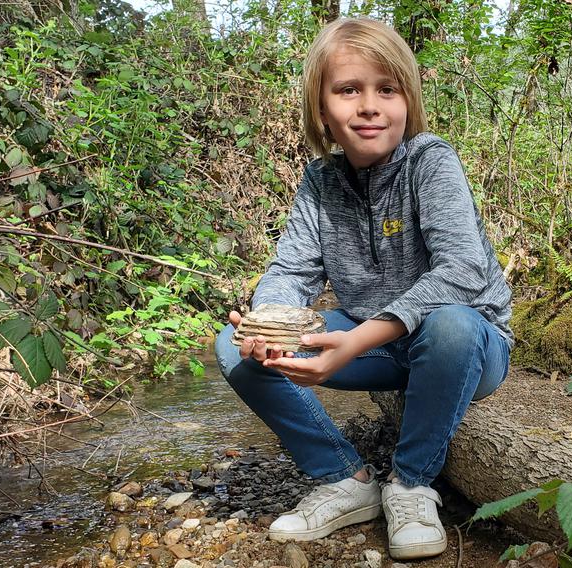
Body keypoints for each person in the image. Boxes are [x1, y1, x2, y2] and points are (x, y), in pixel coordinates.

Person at [214, 17, 513, 561]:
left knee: (451, 324)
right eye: (349, 90)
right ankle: (345, 479)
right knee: (230, 349)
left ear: (408, 100)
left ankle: (411, 485)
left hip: (466, 345)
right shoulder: (321, 181)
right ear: (321, 109)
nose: (369, 106)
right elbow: (291, 271)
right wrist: (267, 325)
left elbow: (463, 271)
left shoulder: (431, 162)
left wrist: (355, 341)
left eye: (386, 89)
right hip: (374, 344)